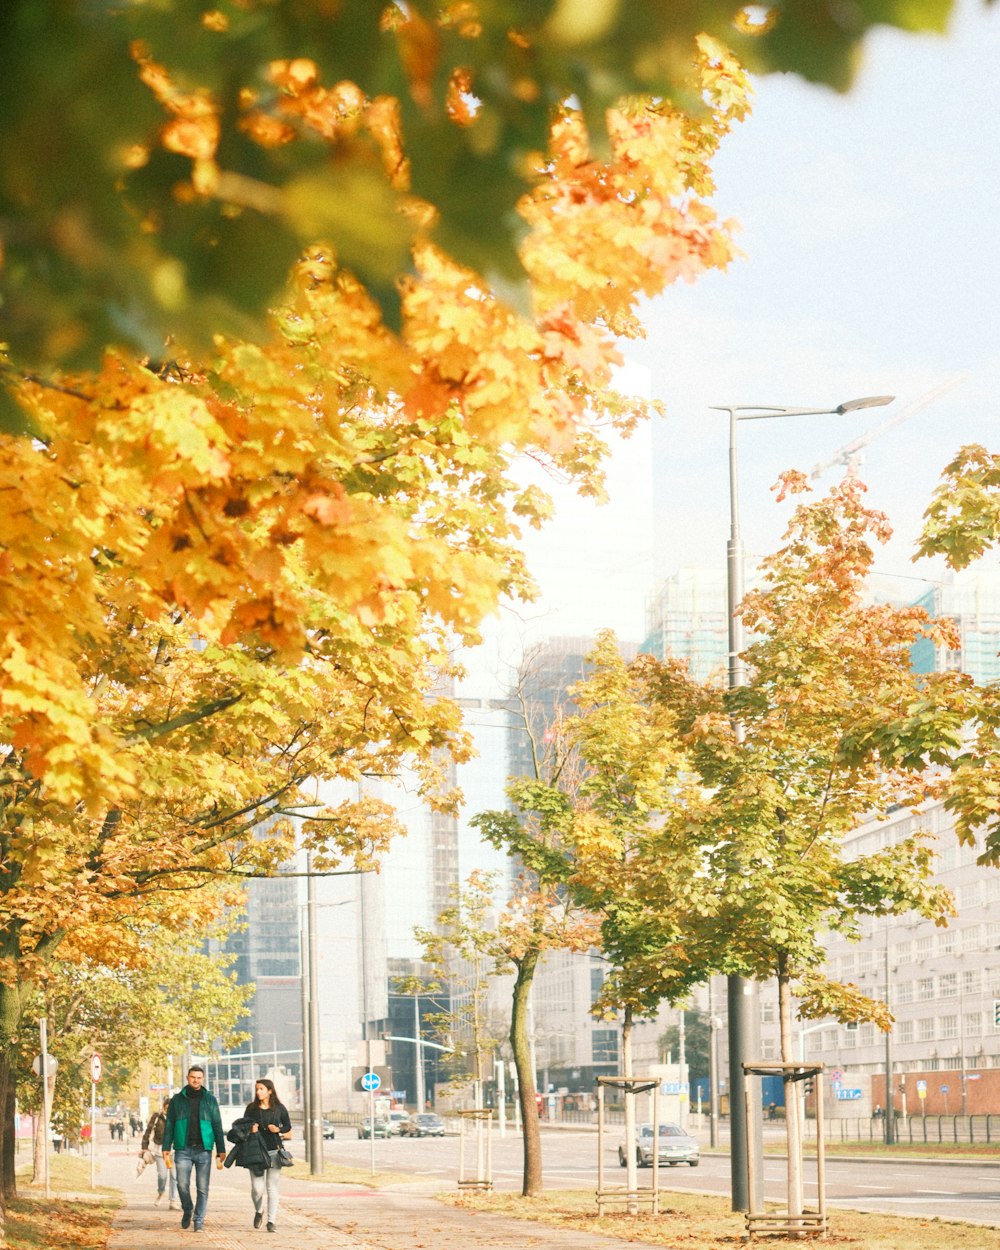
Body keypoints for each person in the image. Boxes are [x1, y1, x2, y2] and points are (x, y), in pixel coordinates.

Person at [162, 1065, 226, 1233]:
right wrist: (166, 1147)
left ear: (203, 1079)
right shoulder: (177, 1100)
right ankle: (188, 1209)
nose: (196, 1080)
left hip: (204, 1149)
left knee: (202, 1187)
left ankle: (199, 1220)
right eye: (193, 1077)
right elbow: (169, 1125)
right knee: (182, 1185)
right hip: (182, 1149)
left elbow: (217, 1125)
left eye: (199, 1077)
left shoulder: (210, 1099)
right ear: (187, 1078)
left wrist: (221, 1149)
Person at [243, 1079, 292, 1233]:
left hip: (274, 1152)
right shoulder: (251, 1108)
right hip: (255, 1152)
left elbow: (288, 1126)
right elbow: (242, 1125)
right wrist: (250, 1129)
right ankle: (259, 1211)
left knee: (272, 1187)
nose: (258, 1092)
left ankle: (271, 1221)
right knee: (257, 1189)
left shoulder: (279, 1108)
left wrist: (278, 1129)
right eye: (257, 1089)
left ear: (270, 1090)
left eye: (262, 1089)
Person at [142, 1098, 178, 1209]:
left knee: (174, 1176)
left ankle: (172, 1201)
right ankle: (161, 1191)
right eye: (167, 1108)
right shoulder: (157, 1117)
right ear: (163, 1107)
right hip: (160, 1151)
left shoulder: (178, 1118)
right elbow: (148, 1131)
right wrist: (144, 1147)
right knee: (162, 1175)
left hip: (174, 1151)